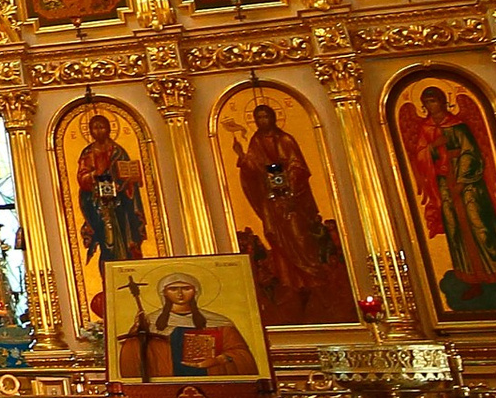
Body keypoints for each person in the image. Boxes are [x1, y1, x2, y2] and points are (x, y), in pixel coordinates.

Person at [398, 83, 496, 301]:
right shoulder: (426, 128)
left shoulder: (458, 125)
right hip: (444, 184)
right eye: (426, 103)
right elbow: (420, 156)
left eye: (433, 101)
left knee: (481, 226)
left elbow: (471, 152)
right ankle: (472, 280)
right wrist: (433, 147)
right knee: (456, 229)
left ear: (442, 101)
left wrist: (461, 179)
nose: (430, 106)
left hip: (469, 185)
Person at [230, 100, 356, 321]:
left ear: (273, 118)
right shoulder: (256, 141)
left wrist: (288, 184)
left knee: (300, 240)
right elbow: (254, 169)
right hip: (271, 202)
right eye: (258, 118)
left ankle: (315, 282)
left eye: (266, 116)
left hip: (292, 200)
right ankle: (291, 284)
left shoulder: (285, 140)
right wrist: (242, 156)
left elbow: (298, 167)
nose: (262, 121)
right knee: (274, 237)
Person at [118, 273, 259, 380]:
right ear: (164, 293)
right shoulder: (151, 322)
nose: (180, 294)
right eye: (173, 289)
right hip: (166, 383)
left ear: (195, 291)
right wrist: (137, 332)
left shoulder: (218, 322)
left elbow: (240, 353)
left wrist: (217, 360)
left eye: (186, 288)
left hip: (211, 381)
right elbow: (133, 354)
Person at [75, 109, 149, 304]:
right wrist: (94, 175)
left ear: (109, 129)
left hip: (121, 206)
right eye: (95, 128)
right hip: (99, 206)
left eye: (102, 127)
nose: (98, 131)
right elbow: (82, 177)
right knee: (107, 245)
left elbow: (127, 174)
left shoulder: (118, 151)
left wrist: (128, 181)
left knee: (126, 242)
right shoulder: (88, 153)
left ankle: (132, 282)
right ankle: (109, 284)